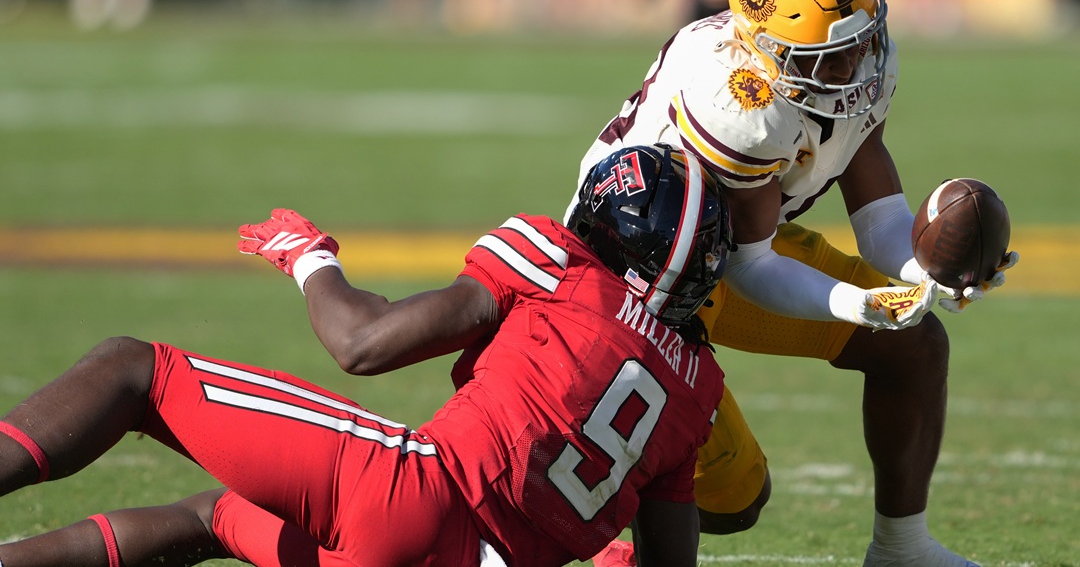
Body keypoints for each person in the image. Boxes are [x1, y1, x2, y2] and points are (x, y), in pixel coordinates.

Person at [0, 144, 735, 567]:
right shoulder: (697, 388)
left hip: (414, 498)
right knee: (214, 515)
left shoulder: (559, 266)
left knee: (134, 370)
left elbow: (361, 342)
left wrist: (310, 260)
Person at [572, 0, 1020, 567]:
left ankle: (901, 550)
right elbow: (752, 265)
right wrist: (856, 303)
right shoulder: (738, 98)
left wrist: (927, 273)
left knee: (915, 345)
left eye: (858, 44)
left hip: (725, 246)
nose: (850, 67)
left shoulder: (853, 58)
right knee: (735, 500)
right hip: (642, 281)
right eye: (828, 57)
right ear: (762, 48)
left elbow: (882, 219)